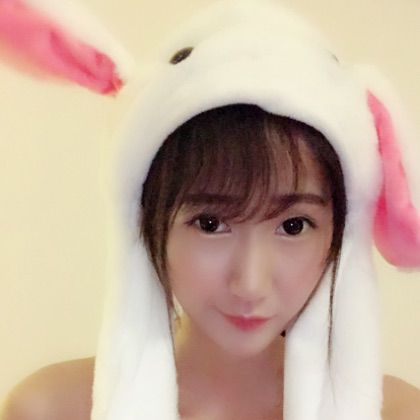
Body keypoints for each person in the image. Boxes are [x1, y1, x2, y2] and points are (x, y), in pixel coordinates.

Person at [1, 1, 420, 419]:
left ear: (340, 231)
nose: (250, 284)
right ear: (147, 219)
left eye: (294, 226)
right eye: (211, 223)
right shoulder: (52, 410)